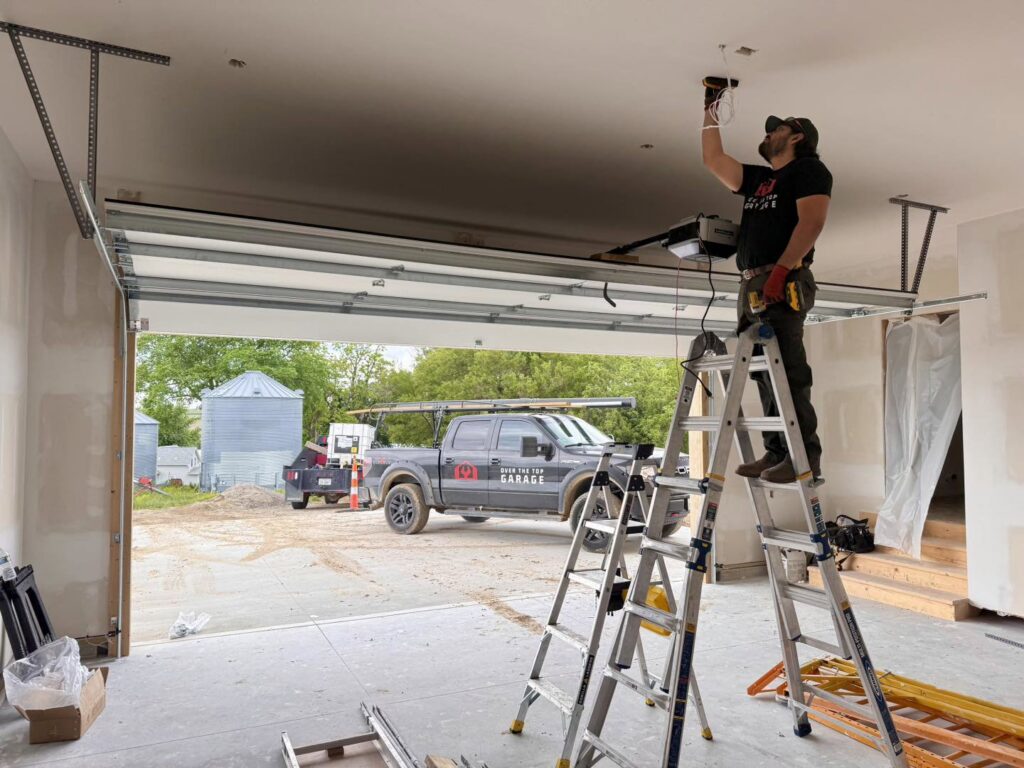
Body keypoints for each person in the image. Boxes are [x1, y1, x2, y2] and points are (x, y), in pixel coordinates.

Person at [700, 91, 832, 483]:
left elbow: (811, 224)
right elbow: (714, 161)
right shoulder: (760, 179)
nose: (769, 132)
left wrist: (779, 272)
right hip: (751, 283)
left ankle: (804, 460)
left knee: (788, 371)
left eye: (777, 128)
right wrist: (709, 111)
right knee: (761, 371)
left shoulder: (808, 171)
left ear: (796, 138)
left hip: (782, 277)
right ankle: (777, 452)